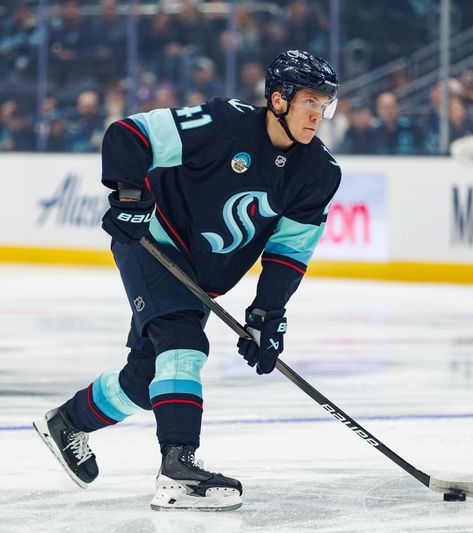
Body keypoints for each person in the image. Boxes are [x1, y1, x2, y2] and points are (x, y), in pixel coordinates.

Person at [33, 50, 341, 512]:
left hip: (200, 276)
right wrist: (130, 193)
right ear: (279, 99)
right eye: (310, 102)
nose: (318, 115)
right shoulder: (223, 124)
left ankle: (67, 422)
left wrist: (266, 315)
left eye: (325, 105)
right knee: (184, 343)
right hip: (153, 239)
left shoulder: (319, 172)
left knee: (146, 379)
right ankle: (178, 466)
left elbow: (288, 253)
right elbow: (130, 134)